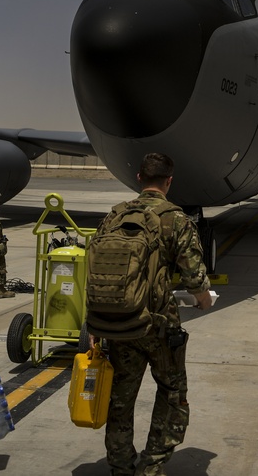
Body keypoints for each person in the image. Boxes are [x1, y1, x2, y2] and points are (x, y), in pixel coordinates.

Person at [90, 152, 212, 476]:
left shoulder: (115, 216)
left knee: (121, 398)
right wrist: (203, 300)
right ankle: (152, 465)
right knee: (172, 394)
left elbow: (97, 271)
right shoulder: (176, 219)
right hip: (159, 328)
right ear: (169, 181)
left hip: (120, 323)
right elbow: (194, 276)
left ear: (139, 179)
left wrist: (95, 323)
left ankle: (120, 466)